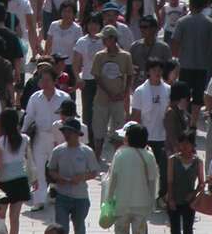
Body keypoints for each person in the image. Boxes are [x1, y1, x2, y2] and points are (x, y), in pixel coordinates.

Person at [107, 123, 158, 234]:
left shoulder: (120, 154)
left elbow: (113, 177)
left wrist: (109, 198)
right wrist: (152, 201)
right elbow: (152, 180)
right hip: (141, 202)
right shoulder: (149, 156)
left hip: (122, 201)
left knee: (120, 232)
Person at [48, 116, 99, 234]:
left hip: (80, 196)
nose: (66, 135)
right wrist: (58, 177)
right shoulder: (58, 151)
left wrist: (82, 177)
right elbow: (51, 169)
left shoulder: (86, 152)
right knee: (61, 226)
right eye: (64, 132)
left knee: (79, 225)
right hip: (62, 195)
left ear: (77, 134)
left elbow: (94, 171)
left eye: (69, 132)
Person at [24, 64, 69, 210]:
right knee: (38, 169)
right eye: (42, 80)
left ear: (54, 81)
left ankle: (60, 195)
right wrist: (23, 134)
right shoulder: (35, 98)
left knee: (60, 168)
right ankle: (39, 200)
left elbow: (69, 117)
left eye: (48, 80)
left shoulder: (64, 97)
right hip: (40, 136)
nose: (44, 83)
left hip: (60, 136)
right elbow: (29, 117)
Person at [172, 0, 212, 127]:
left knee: (183, 94)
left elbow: (175, 41)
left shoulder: (182, 22)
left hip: (185, 64)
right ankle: (193, 122)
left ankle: (184, 120)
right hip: (202, 65)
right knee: (198, 96)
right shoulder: (208, 22)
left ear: (191, 5)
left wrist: (175, 58)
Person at [0, 107, 33, 234]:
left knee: (0, 216)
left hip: (4, 182)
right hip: (20, 180)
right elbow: (28, 159)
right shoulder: (24, 139)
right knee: (14, 219)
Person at [90, 24, 134, 160]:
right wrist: (109, 92)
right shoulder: (99, 56)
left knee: (118, 130)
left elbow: (130, 74)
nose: (103, 42)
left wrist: (125, 92)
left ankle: (117, 157)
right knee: (99, 130)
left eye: (105, 39)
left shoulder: (125, 56)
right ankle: (97, 156)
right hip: (102, 99)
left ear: (113, 39)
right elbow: (97, 77)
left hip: (118, 99)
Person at [131, 58, 171, 198]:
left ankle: (162, 196)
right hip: (146, 138)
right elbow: (135, 116)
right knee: (145, 170)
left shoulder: (168, 90)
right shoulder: (140, 91)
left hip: (163, 137)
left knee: (164, 170)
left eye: (160, 70)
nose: (157, 72)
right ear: (148, 72)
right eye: (154, 70)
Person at [167, 131, 203, 234]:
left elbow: (201, 183)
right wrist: (170, 198)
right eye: (181, 143)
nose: (184, 146)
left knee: (188, 231)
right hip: (174, 199)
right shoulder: (172, 160)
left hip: (189, 202)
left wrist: (194, 194)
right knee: (175, 231)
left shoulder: (197, 162)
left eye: (187, 143)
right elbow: (169, 181)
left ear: (192, 145)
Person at [72, 13, 104, 148]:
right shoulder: (82, 42)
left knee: (101, 112)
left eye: (96, 23)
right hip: (87, 80)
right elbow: (76, 63)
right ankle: (88, 142)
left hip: (103, 81)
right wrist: (78, 78)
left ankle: (100, 140)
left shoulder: (105, 40)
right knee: (88, 113)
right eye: (90, 23)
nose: (93, 26)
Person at [130, 16, 170, 86]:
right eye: (140, 27)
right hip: (139, 86)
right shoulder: (134, 47)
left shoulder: (164, 48)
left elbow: (169, 70)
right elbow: (129, 68)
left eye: (145, 27)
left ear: (154, 29)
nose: (142, 29)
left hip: (158, 86)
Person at [45, 0, 83, 68]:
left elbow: (79, 49)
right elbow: (48, 44)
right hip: (54, 62)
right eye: (64, 11)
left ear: (74, 14)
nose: (66, 14)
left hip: (69, 64)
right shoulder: (54, 25)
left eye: (69, 11)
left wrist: (78, 65)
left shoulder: (77, 29)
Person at [164, 80, 191, 156]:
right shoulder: (170, 113)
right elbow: (172, 138)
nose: (188, 102)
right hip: (171, 154)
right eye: (187, 99)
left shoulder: (182, 113)